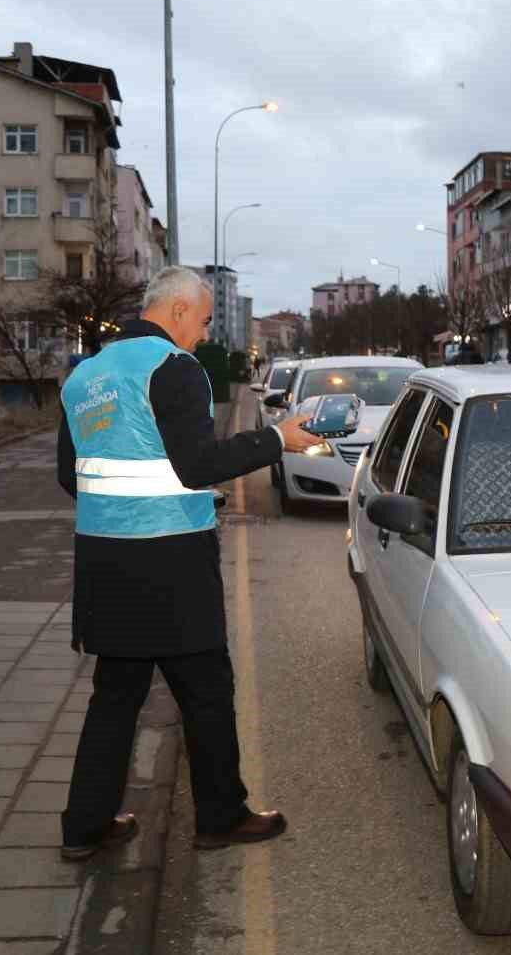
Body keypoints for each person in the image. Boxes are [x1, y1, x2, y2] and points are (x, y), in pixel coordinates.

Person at [55, 266, 324, 862]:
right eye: (202, 321)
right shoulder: (173, 369)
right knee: (205, 690)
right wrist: (278, 439)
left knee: (115, 695)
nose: (203, 335)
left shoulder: (86, 374)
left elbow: (70, 476)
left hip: (104, 564)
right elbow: (197, 465)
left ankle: (85, 825)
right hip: (171, 566)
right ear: (177, 310)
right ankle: (221, 816)